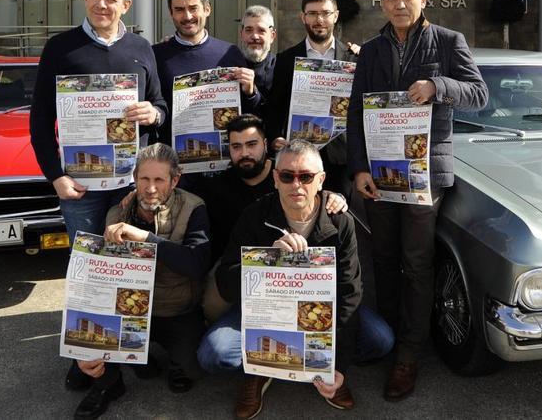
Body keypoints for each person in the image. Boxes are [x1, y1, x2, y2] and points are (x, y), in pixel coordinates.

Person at [345, 0, 488, 402]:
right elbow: (355, 113)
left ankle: (410, 352)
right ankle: (388, 337)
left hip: (425, 172)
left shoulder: (448, 42)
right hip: (381, 174)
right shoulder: (371, 50)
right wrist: (360, 169)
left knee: (418, 262)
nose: (399, 3)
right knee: (384, 259)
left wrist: (437, 85)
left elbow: (479, 94)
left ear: (424, 0)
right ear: (383, 3)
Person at [197, 140, 394, 419]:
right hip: (264, 312)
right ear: (276, 178)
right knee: (213, 354)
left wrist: (337, 367)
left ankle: (320, 368)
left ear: (321, 179)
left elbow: (350, 291)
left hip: (319, 311)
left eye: (306, 176)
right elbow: (226, 283)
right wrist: (267, 260)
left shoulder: (340, 221)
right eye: (287, 176)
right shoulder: (255, 215)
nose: (296, 185)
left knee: (380, 339)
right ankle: (257, 371)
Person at [70, 144, 210, 419]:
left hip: (175, 309)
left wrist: (146, 239)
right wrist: (81, 344)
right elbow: (97, 281)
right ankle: (110, 385)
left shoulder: (193, 207)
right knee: (81, 361)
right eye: (144, 179)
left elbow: (196, 265)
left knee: (194, 367)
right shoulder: (116, 214)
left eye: (159, 180)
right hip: (127, 313)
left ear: (175, 180)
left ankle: (166, 359)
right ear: (134, 177)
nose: (151, 188)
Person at [30, 0, 167, 243]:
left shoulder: (141, 47)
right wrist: (55, 176)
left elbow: (160, 104)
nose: (100, 4)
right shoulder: (59, 48)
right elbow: (40, 120)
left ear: (126, 6)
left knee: (132, 264)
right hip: (81, 185)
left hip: (132, 183)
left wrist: (154, 114)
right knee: (87, 264)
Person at [182, 113, 350, 321]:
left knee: (379, 338)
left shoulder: (287, 171)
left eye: (251, 144)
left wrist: (335, 198)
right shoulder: (220, 186)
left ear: (264, 144)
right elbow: (184, 198)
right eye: (236, 147)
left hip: (305, 273)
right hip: (245, 260)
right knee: (213, 322)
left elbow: (313, 186)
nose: (245, 153)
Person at [265, 0, 357, 197]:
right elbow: (274, 108)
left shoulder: (354, 59)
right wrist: (274, 138)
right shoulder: (286, 60)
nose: (319, 20)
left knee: (337, 217)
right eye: (313, 13)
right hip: (298, 160)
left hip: (340, 160)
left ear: (336, 16)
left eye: (325, 13)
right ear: (302, 17)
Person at [153, 0, 260, 142]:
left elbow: (250, 113)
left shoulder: (229, 53)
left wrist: (251, 92)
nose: (187, 16)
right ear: (171, 13)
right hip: (173, 158)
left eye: (193, 8)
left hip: (223, 156)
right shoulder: (155, 55)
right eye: (179, 10)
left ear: (207, 9)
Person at [239, 5, 276, 113]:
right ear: (241, 34)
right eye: (248, 30)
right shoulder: (229, 65)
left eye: (261, 30)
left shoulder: (282, 68)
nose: (255, 36)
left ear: (272, 36)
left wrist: (252, 92)